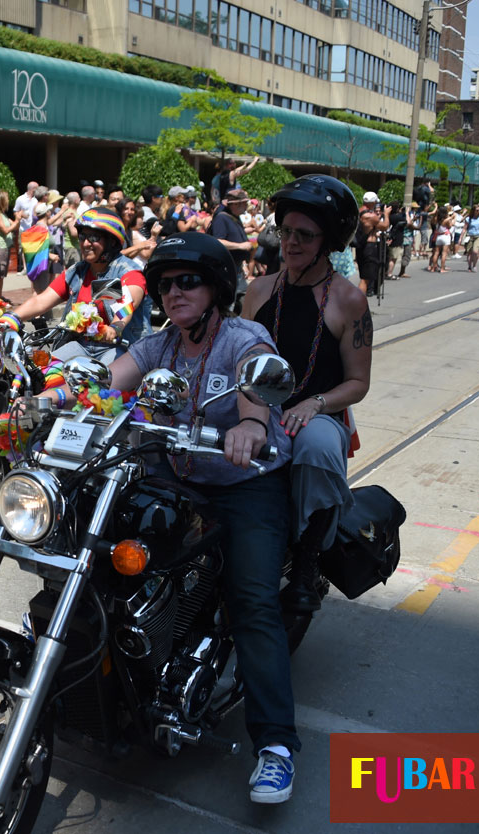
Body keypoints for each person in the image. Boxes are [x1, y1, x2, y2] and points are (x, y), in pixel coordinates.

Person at [106, 231, 297, 804]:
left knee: (253, 602)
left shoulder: (243, 337)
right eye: (165, 284)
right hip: (174, 478)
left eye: (187, 281)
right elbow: (111, 379)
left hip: (244, 485)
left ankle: (277, 747)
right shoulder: (159, 344)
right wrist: (53, 398)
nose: (173, 292)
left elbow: (256, 385)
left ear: (217, 287)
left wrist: (251, 426)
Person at [242, 174, 371, 612]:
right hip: (255, 408)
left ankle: (305, 568)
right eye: (286, 231)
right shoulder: (258, 290)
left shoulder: (349, 300)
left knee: (316, 447)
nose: (291, 243)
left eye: (305, 235)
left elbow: (358, 383)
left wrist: (315, 403)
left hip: (317, 415)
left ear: (328, 241)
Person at [7, 207, 148, 360]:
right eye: (82, 236)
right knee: (47, 374)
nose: (86, 243)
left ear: (111, 242)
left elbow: (128, 303)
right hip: (82, 345)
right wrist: (11, 318)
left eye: (94, 238)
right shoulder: (76, 272)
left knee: (106, 380)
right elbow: (40, 301)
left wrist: (115, 327)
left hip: (120, 346)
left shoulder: (128, 271)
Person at [209, 189, 255, 302]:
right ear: (236, 204)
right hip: (227, 272)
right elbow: (218, 241)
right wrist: (240, 246)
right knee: (228, 306)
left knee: (244, 303)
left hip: (237, 270)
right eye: (244, 203)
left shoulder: (235, 218)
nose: (246, 206)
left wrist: (243, 264)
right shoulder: (221, 218)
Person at [354, 192, 389, 297]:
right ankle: (359, 302)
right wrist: (386, 214)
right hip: (369, 248)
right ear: (373, 202)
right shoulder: (370, 216)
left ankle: (360, 301)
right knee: (366, 279)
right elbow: (384, 226)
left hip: (361, 247)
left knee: (364, 277)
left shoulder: (359, 211)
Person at [464, 204, 479, 272]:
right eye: (477, 210)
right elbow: (465, 228)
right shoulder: (469, 218)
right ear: (473, 211)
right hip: (470, 235)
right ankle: (469, 266)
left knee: (475, 251)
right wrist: (460, 238)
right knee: (469, 252)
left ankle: (474, 265)